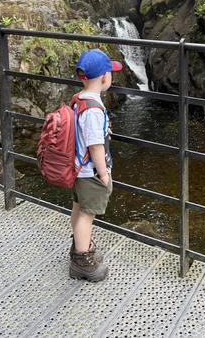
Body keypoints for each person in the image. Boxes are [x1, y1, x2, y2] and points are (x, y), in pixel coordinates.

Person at [69, 48, 122, 282]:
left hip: (78, 169)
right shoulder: (93, 110)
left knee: (79, 208)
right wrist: (103, 174)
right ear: (104, 78)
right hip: (90, 171)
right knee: (87, 215)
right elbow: (95, 145)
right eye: (110, 72)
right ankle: (82, 261)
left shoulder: (78, 100)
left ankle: (80, 245)